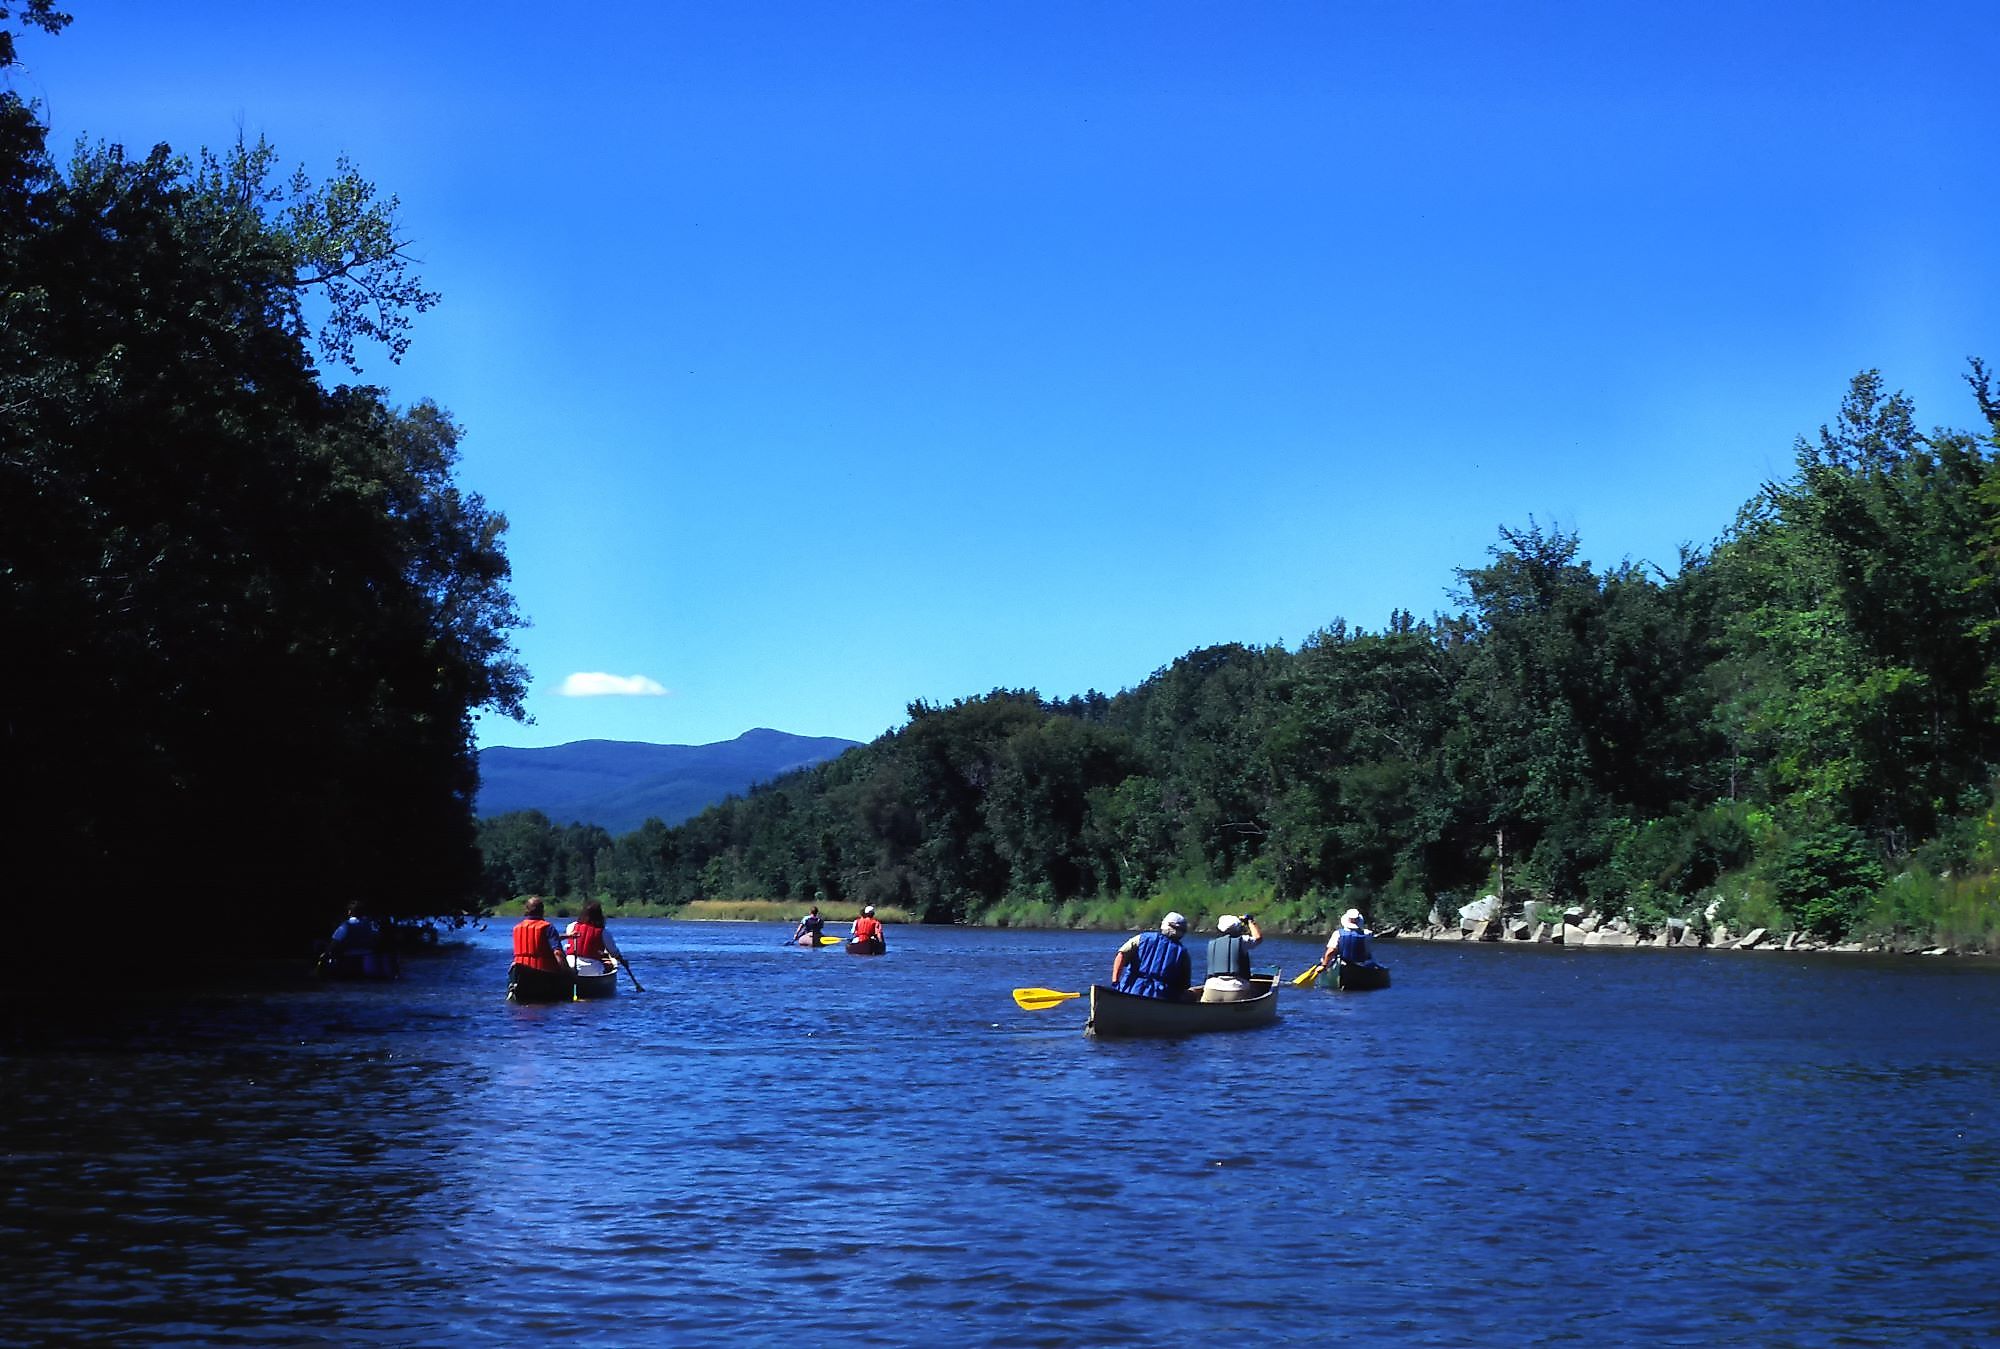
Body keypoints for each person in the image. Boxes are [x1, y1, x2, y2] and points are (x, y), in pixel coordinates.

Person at [1110, 912, 1193, 1000]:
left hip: (1130, 991)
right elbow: (1184, 984)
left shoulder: (1141, 938)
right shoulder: (1183, 953)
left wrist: (1115, 981)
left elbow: (1121, 955)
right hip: (1161, 997)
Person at [1200, 912, 1264, 1002]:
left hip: (1211, 989)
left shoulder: (1212, 943)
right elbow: (1258, 938)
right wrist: (1250, 921)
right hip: (1236, 989)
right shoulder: (1242, 941)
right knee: (1256, 991)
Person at [563, 899, 627, 978]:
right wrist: (623, 961)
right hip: (592, 969)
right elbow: (614, 953)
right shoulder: (603, 932)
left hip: (571, 965)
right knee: (609, 966)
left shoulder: (571, 926)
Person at [512, 896, 567, 976]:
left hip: (520, 975)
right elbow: (558, 953)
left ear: (526, 910)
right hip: (543, 975)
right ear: (542, 911)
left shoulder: (517, 928)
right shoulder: (547, 927)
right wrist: (567, 972)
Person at [1321, 908, 1383, 973]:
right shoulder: (1368, 934)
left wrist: (1324, 965)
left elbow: (1331, 951)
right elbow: (1368, 953)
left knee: (1327, 960)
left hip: (1342, 964)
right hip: (1361, 965)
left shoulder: (1337, 933)